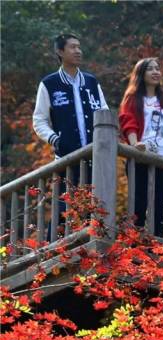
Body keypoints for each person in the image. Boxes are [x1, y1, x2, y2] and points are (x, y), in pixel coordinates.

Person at [32, 33, 108, 240]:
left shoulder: (91, 82)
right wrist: (55, 140)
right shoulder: (49, 83)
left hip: (95, 156)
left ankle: (91, 246)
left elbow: (104, 112)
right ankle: (52, 251)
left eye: (79, 46)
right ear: (60, 51)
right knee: (63, 206)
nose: (78, 51)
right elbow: (39, 120)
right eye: (73, 47)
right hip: (66, 158)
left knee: (94, 206)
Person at [119, 58, 163, 237]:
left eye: (158, 68)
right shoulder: (133, 98)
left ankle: (156, 246)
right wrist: (134, 145)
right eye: (150, 69)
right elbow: (128, 121)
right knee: (138, 204)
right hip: (141, 157)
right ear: (141, 74)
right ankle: (135, 246)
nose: (156, 72)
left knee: (160, 205)